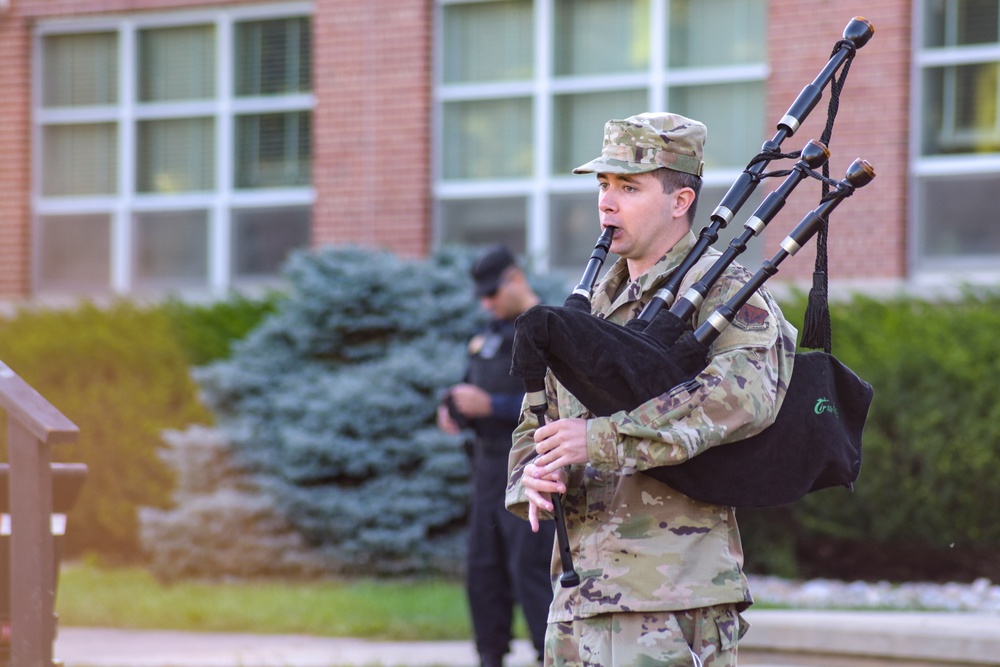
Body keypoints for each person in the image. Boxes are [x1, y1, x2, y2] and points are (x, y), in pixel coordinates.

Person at [504, 112, 797, 667]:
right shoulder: (588, 307)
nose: (606, 203)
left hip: (671, 598)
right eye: (603, 185)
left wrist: (603, 439)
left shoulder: (727, 291)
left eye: (629, 187)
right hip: (577, 598)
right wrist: (532, 478)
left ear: (680, 200)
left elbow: (742, 396)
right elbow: (534, 421)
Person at [438, 244, 557, 667]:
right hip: (488, 466)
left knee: (531, 565)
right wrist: (452, 408)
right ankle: (490, 654)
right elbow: (467, 385)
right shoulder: (486, 334)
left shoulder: (547, 328)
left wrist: (490, 406)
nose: (487, 303)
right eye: (481, 296)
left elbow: (559, 405)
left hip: (532, 464)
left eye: (493, 293)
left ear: (516, 279)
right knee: (483, 566)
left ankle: (551, 654)